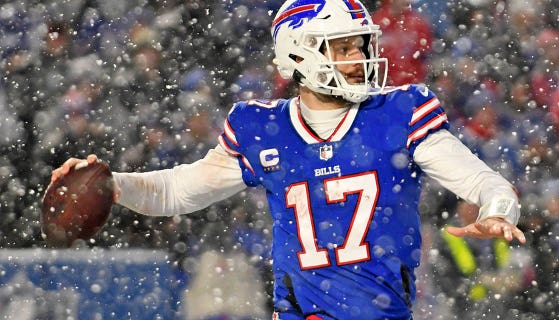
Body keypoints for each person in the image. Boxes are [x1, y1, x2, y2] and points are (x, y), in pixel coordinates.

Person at [50, 0, 525, 319]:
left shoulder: (400, 112)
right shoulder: (263, 127)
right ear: (300, 54)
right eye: (342, 47)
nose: (358, 56)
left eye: (360, 44)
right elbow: (179, 189)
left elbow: (487, 184)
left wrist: (497, 212)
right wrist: (114, 185)